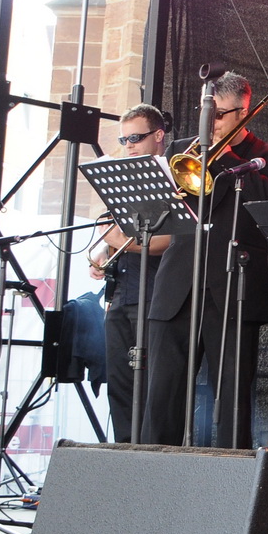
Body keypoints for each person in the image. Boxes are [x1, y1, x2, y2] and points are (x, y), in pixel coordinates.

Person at [144, 71, 268, 449]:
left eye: (219, 114)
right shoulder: (181, 150)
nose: (211, 122)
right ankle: (153, 469)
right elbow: (160, 212)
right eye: (206, 112)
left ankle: (230, 476)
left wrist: (227, 158)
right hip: (178, 284)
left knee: (232, 396)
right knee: (163, 394)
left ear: (243, 113)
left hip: (233, 286)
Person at [89, 103, 172, 441]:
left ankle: (149, 457)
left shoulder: (171, 175)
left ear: (159, 135)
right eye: (124, 140)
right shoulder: (124, 177)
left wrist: (116, 240)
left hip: (152, 293)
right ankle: (123, 453)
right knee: (119, 384)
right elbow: (118, 235)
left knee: (150, 387)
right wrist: (105, 252)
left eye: (135, 138)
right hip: (122, 291)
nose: (129, 146)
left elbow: (168, 241)